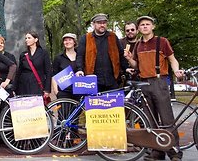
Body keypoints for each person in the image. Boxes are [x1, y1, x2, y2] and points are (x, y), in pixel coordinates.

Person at [124, 16, 184, 161]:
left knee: (166, 119)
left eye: (147, 24)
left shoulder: (162, 42)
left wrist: (176, 71)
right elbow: (137, 66)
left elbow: (172, 59)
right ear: (139, 29)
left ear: (153, 27)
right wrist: (129, 59)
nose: (145, 26)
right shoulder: (137, 45)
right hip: (144, 83)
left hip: (159, 82)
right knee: (150, 121)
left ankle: (174, 152)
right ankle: (157, 153)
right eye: (142, 25)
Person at [75, 13, 128, 92]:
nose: (102, 25)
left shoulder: (113, 37)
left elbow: (121, 54)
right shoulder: (86, 38)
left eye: (104, 23)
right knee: (94, 103)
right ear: (93, 24)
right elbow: (80, 55)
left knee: (115, 103)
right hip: (92, 81)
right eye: (99, 23)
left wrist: (126, 68)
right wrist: (79, 69)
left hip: (112, 79)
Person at [16, 31, 53, 100]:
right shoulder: (23, 54)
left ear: (36, 39)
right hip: (24, 85)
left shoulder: (43, 53)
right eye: (26, 38)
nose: (27, 40)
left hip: (37, 85)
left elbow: (48, 72)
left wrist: (47, 89)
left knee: (37, 108)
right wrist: (14, 87)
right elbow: (19, 72)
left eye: (29, 38)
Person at [52, 33, 79, 100]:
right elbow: (54, 75)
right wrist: (56, 91)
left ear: (74, 42)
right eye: (65, 40)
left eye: (70, 40)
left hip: (79, 90)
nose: (67, 42)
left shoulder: (80, 56)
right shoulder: (58, 58)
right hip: (63, 91)